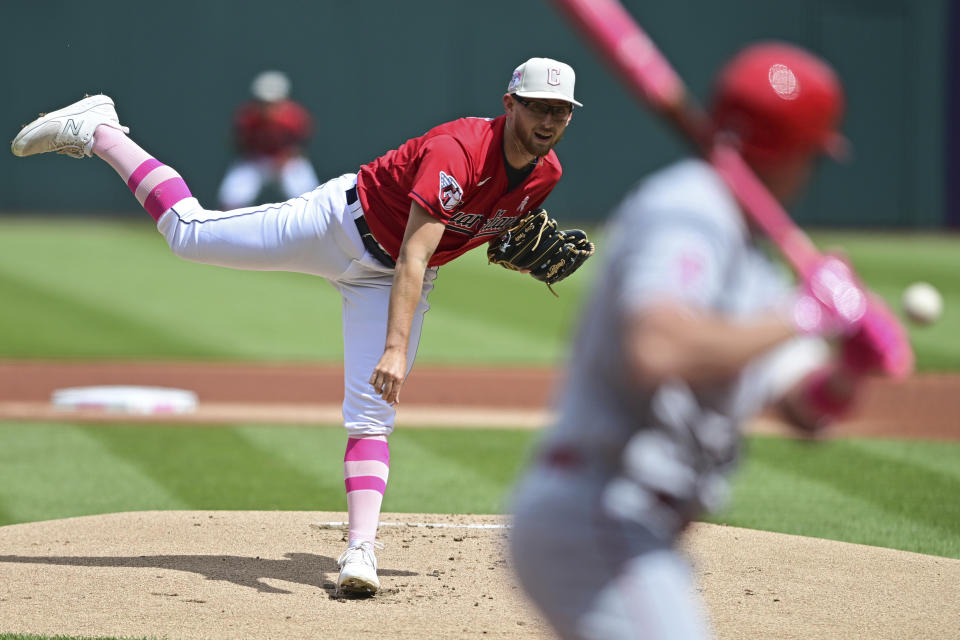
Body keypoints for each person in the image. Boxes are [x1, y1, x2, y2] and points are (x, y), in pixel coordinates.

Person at [11, 57, 584, 597]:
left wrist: (506, 237)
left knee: (373, 412)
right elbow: (415, 252)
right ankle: (102, 131)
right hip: (337, 224)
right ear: (510, 103)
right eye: (539, 106)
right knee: (190, 235)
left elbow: (478, 228)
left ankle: (360, 552)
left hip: (382, 280)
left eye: (561, 111)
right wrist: (393, 345)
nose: (550, 120)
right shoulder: (457, 150)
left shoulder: (549, 172)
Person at [509, 42, 888, 639]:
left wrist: (851, 369)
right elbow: (657, 348)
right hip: (600, 513)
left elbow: (805, 409)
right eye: (811, 154)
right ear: (790, 151)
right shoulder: (691, 206)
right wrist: (808, 314)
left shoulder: (753, 260)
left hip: (637, 529)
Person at [216, 70, 320, 209]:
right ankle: (228, 228)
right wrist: (255, 157)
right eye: (263, 102)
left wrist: (286, 157)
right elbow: (240, 144)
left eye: (272, 102)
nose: (268, 107)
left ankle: (312, 229)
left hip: (287, 160)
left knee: (309, 197)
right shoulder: (248, 118)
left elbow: (301, 143)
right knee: (232, 197)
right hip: (256, 159)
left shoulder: (294, 117)